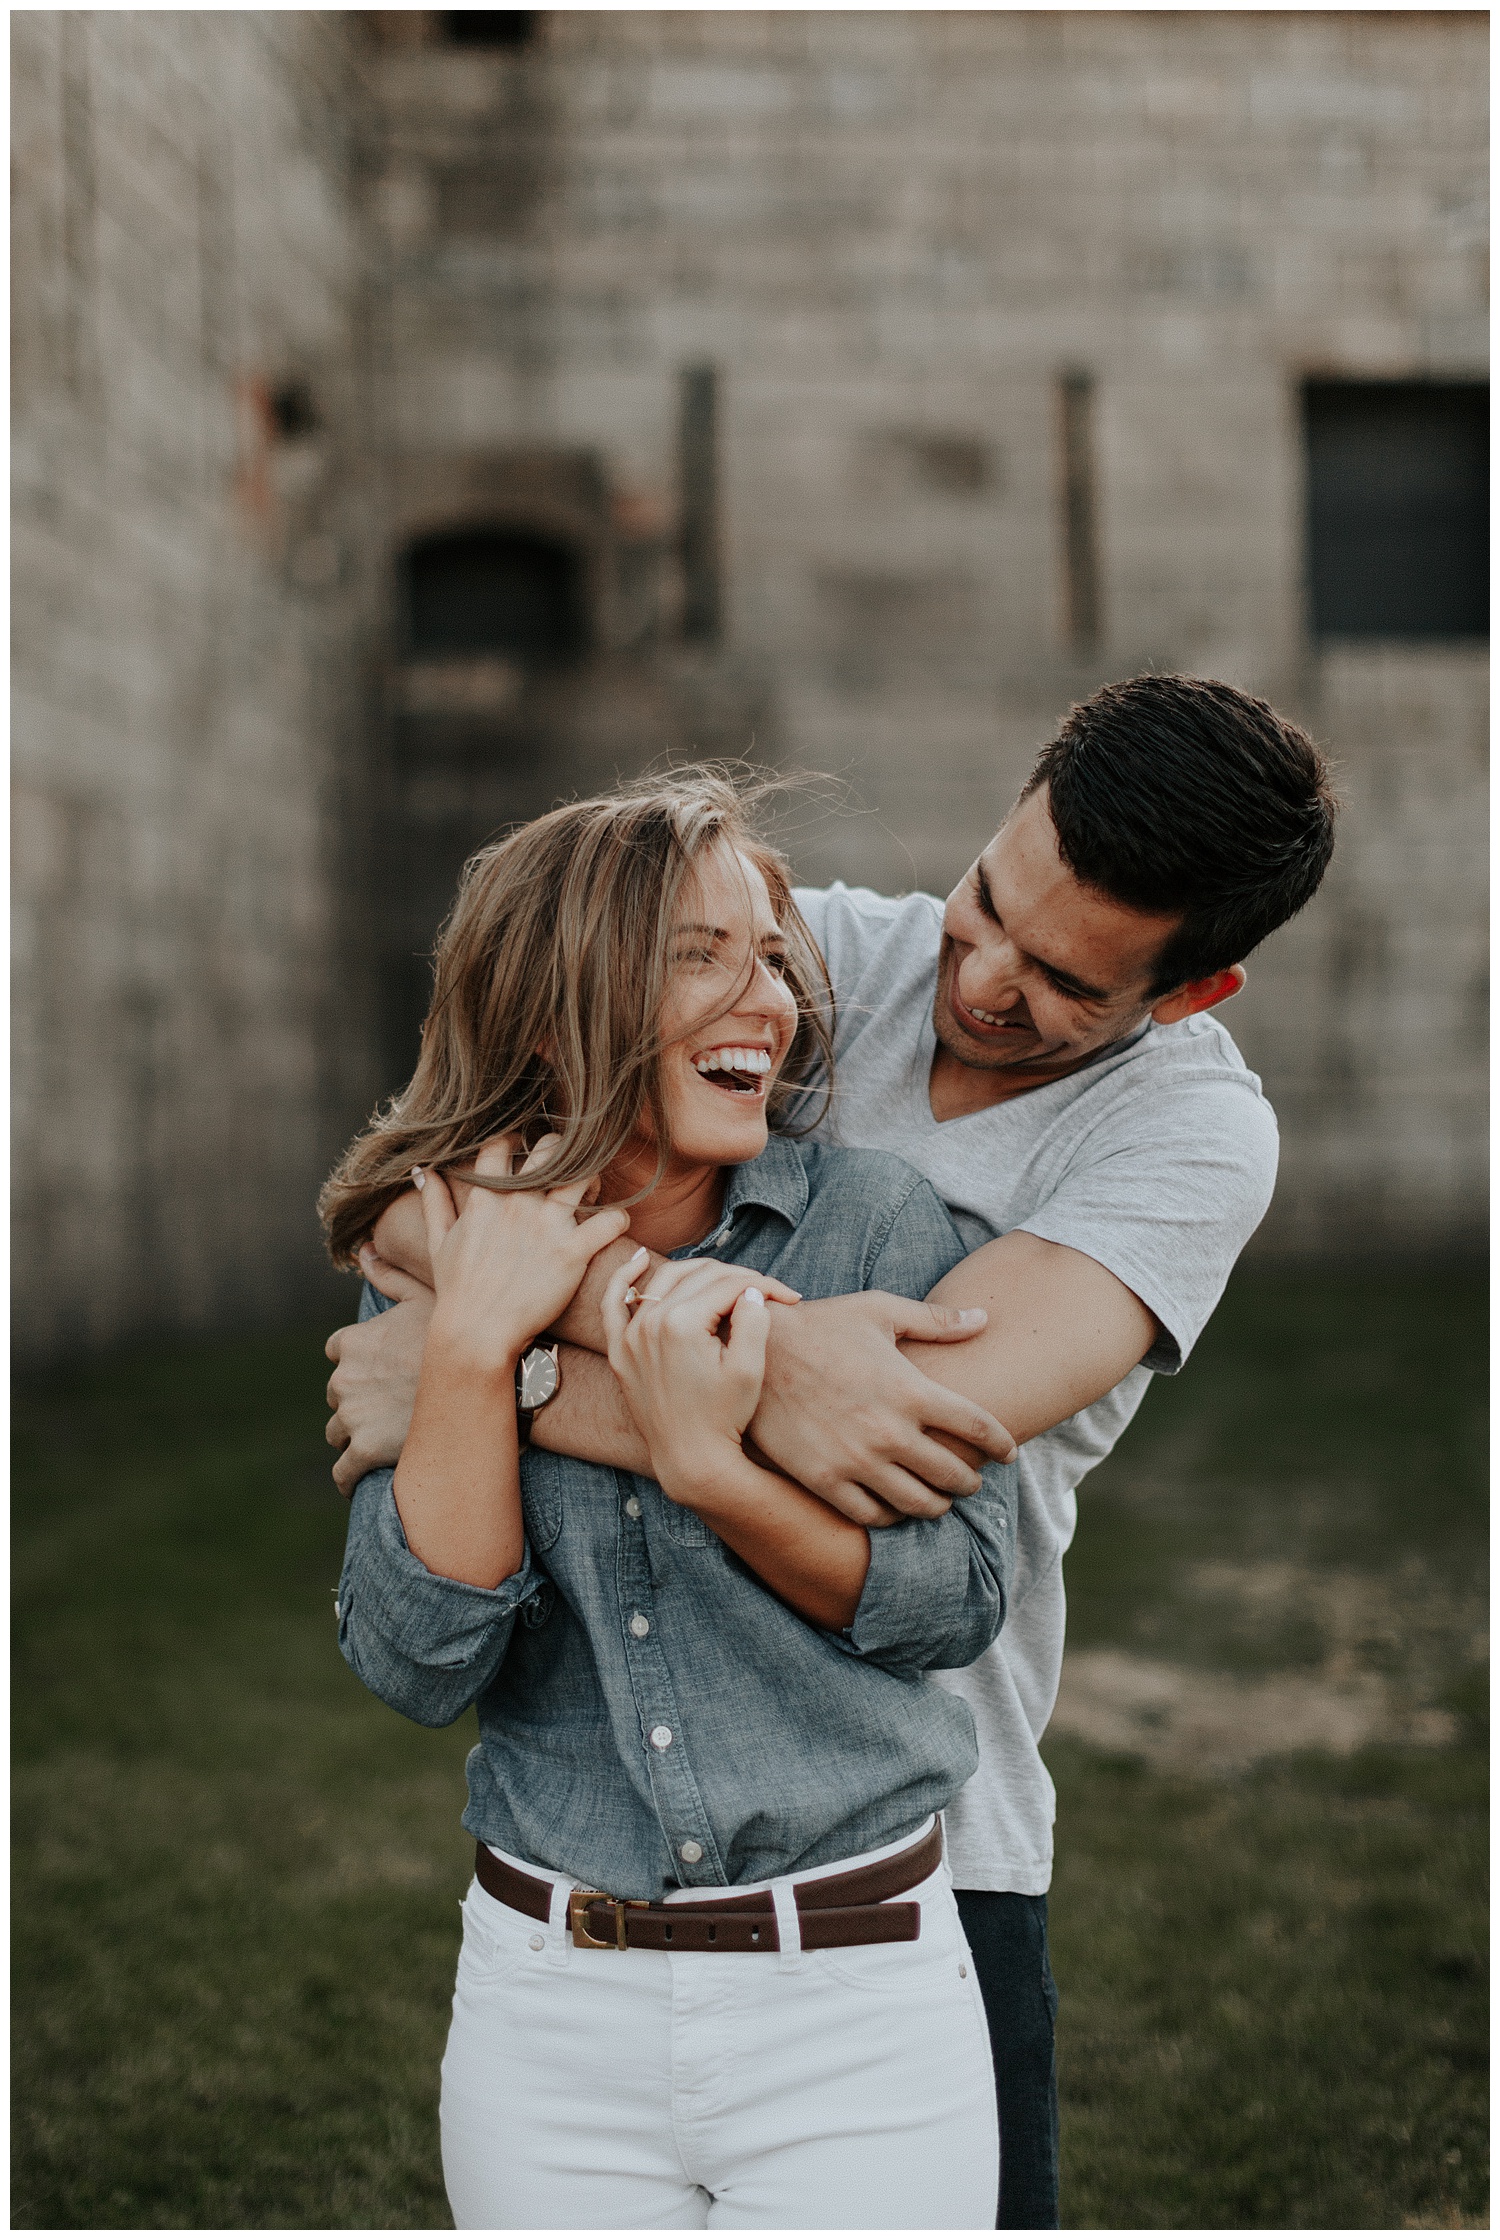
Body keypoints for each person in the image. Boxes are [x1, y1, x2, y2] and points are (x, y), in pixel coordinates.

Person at [327, 672, 1338, 2228]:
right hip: (588, 1898)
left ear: (1187, 996)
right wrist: (580, 1311)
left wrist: (498, 1379)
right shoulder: (813, 957)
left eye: (1065, 981)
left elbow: (893, 1439)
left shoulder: (1188, 1138)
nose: (983, 979)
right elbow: (417, 1174)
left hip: (929, 1832)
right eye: (986, 901)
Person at [322, 776, 1020, 2230]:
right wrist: (467, 1351)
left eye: (767, 954)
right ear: (548, 1001)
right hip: (547, 2011)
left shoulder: (874, 1225)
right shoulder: (444, 1251)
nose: (763, 995)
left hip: (856, 2006)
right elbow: (416, 1661)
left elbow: (951, 1602)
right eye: (699, 953)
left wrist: (709, 1466)